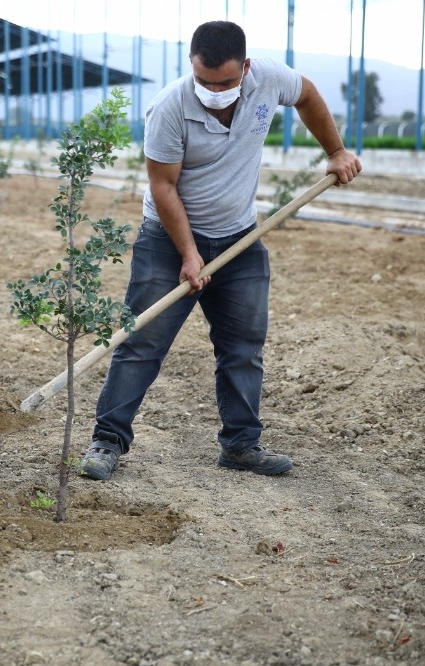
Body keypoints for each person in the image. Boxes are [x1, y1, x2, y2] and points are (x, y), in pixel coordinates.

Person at [81, 20, 361, 481]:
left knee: (243, 346)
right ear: (191, 67)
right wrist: (189, 254)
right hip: (168, 242)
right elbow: (163, 187)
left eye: (226, 83)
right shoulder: (169, 108)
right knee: (143, 341)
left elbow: (307, 94)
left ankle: (241, 445)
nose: (214, 91)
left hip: (240, 240)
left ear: (246, 68)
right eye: (204, 82)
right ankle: (107, 442)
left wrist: (335, 151)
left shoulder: (268, 79)